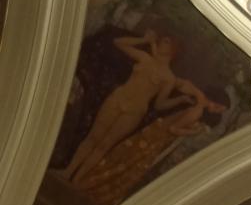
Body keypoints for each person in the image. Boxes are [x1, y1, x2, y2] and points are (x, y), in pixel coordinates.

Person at [79, 80, 227, 205]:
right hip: (155, 139)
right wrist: (192, 132)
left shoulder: (196, 106)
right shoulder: (197, 111)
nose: (218, 111)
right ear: (216, 103)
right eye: (220, 108)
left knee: (127, 162)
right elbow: (173, 129)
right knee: (128, 164)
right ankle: (93, 189)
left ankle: (93, 188)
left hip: (154, 136)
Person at [62, 31, 182, 186]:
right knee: (93, 137)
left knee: (104, 145)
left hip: (134, 111)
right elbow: (119, 42)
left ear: (173, 50)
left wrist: (180, 100)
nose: (160, 43)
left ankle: (77, 179)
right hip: (118, 99)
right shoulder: (145, 58)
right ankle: (68, 172)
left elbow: (159, 104)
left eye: (166, 42)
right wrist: (143, 39)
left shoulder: (169, 78)